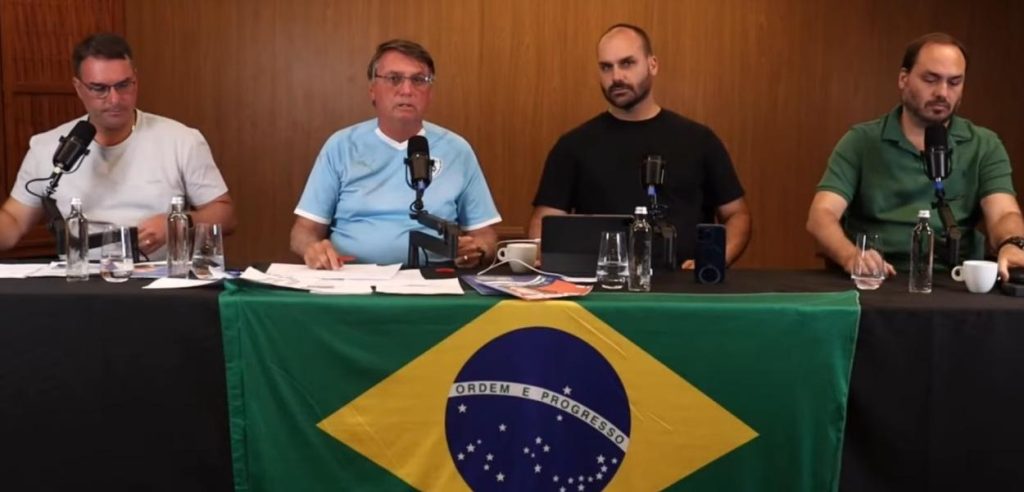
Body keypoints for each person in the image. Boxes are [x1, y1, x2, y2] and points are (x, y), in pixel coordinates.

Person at [528, 23, 751, 269]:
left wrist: (715, 258)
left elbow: (737, 214)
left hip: (685, 285)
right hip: (601, 285)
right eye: (606, 67)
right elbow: (545, 222)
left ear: (652, 65)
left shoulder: (700, 140)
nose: (616, 77)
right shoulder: (573, 145)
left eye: (627, 63)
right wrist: (543, 257)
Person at [807, 32, 1024, 280]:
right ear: (903, 79)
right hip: (877, 278)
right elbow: (821, 214)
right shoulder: (860, 141)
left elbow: (1004, 213)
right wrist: (850, 256)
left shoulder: (984, 144)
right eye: (930, 79)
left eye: (954, 82)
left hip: (954, 280)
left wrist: (1012, 243)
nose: (942, 92)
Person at [0, 33, 236, 259]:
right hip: (78, 275)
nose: (114, 99)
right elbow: (14, 221)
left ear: (136, 80)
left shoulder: (181, 140)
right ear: (79, 88)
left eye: (123, 85)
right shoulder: (47, 147)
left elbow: (225, 215)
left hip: (159, 275)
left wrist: (177, 222)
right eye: (99, 88)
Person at [291, 39, 501, 269]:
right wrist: (312, 248)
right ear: (373, 90)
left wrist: (478, 249)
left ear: (430, 93)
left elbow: (486, 235)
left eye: (419, 80)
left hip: (435, 278)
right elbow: (304, 231)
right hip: (350, 276)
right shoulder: (341, 146)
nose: (407, 90)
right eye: (394, 79)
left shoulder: (457, 150)